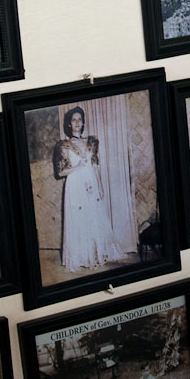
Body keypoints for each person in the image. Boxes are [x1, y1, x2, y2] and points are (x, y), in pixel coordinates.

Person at [53, 106, 126, 273]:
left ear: (83, 122)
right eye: (74, 120)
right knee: (80, 219)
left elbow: (95, 165)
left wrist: (100, 186)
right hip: (75, 185)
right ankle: (82, 257)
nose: (77, 122)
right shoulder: (63, 146)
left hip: (92, 184)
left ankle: (96, 255)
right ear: (69, 124)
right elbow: (60, 172)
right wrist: (77, 166)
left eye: (80, 119)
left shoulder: (91, 142)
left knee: (94, 216)